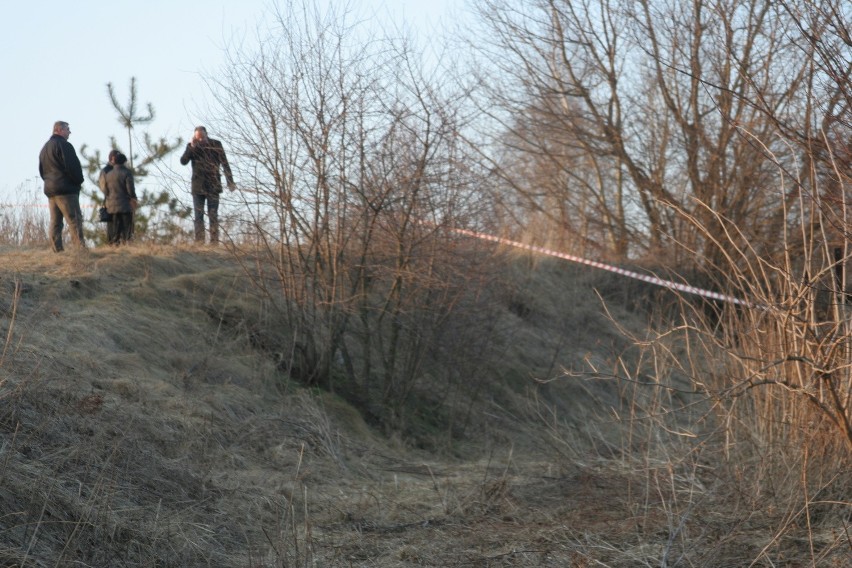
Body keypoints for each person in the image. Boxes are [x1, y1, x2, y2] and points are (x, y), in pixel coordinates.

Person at [179, 125, 236, 244]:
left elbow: (225, 163)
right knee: (198, 216)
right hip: (197, 187)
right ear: (194, 138)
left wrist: (230, 182)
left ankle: (214, 242)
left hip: (213, 185)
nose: (201, 140)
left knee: (213, 215)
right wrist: (192, 147)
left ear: (206, 135)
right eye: (198, 138)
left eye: (202, 138)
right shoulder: (191, 147)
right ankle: (199, 242)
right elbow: (183, 161)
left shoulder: (216, 144)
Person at [38, 120, 86, 252]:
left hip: (51, 190)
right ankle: (80, 251)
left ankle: (56, 250)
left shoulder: (44, 148)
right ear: (59, 130)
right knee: (74, 220)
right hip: (66, 190)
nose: (70, 132)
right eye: (67, 129)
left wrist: (49, 183)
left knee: (55, 222)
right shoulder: (64, 145)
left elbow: (42, 171)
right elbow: (73, 167)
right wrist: (78, 181)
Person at [99, 150, 137, 245]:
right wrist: (133, 198)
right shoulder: (126, 173)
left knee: (114, 230)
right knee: (126, 229)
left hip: (111, 206)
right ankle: (126, 246)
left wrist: (109, 198)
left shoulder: (108, 174)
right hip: (125, 205)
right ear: (124, 161)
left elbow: (105, 189)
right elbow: (130, 190)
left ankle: (114, 246)